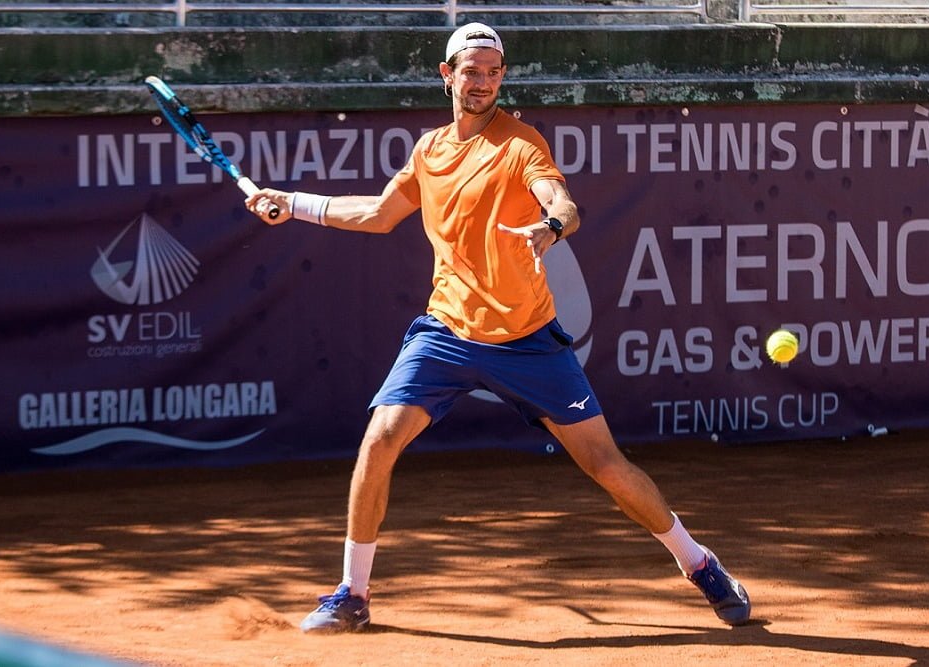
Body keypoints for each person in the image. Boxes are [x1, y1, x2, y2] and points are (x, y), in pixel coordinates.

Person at [246, 22, 751, 633]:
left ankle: (699, 564)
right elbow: (380, 214)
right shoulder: (429, 149)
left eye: (492, 72)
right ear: (447, 74)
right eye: (471, 70)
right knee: (379, 441)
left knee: (606, 466)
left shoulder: (520, 143)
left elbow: (559, 198)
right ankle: (351, 592)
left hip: (528, 341)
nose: (482, 82)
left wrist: (553, 226)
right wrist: (294, 203)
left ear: (501, 77)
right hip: (446, 331)